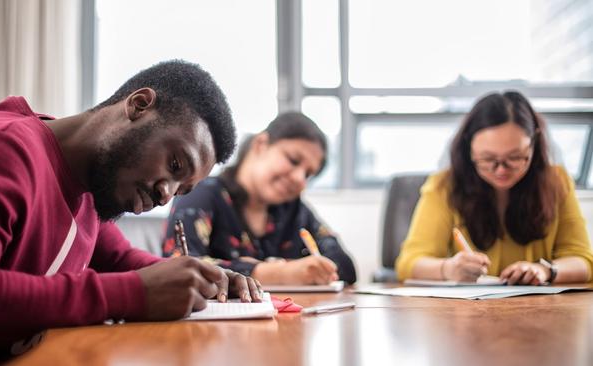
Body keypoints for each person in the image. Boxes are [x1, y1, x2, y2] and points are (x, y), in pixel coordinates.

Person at [0, 60, 263, 357]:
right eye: (175, 163)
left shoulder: (89, 185)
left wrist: (203, 280)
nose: (166, 195)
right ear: (139, 106)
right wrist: (130, 295)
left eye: (182, 190)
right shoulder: (5, 149)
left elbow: (121, 261)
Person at [395, 91, 593, 285]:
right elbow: (408, 263)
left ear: (534, 144)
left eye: (515, 157)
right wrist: (448, 269)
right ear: (468, 149)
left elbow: (583, 260)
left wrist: (545, 270)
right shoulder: (444, 186)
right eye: (488, 159)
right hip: (466, 313)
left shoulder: (556, 181)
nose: (501, 170)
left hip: (540, 310)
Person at [162, 112, 357, 285]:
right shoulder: (202, 193)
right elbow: (178, 265)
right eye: (293, 160)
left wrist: (308, 270)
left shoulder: (293, 209)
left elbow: (345, 266)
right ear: (261, 144)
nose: (299, 179)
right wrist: (276, 273)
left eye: (308, 174)